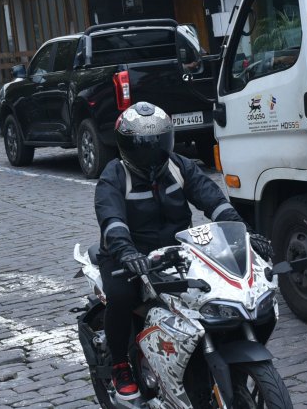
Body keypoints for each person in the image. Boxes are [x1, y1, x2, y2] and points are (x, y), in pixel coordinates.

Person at [94, 101, 272, 402]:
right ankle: (120, 364)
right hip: (128, 257)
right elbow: (112, 221)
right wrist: (126, 253)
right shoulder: (114, 175)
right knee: (122, 297)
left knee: (220, 292)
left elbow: (213, 200)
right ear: (127, 144)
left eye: (157, 142)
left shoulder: (179, 166)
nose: (151, 151)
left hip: (178, 252)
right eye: (143, 144)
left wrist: (245, 233)